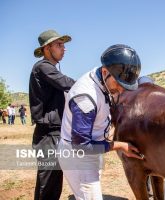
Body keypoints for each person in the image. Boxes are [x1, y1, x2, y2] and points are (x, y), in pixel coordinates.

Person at [58, 44, 143, 200]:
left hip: (92, 149)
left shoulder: (103, 80)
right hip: (78, 157)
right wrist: (119, 145)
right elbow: (81, 146)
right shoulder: (85, 97)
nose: (121, 90)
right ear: (105, 72)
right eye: (119, 84)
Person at [29, 29, 75, 200]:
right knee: (47, 183)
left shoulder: (49, 69)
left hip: (54, 132)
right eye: (59, 44)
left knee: (55, 182)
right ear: (47, 48)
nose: (64, 48)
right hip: (48, 135)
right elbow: (68, 83)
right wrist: (89, 85)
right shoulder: (43, 67)